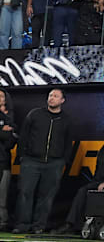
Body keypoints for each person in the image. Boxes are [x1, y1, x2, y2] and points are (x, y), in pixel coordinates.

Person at [14, 88, 73, 234]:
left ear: (62, 100)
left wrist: (64, 161)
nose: (51, 98)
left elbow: (68, 142)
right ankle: (22, 225)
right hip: (31, 161)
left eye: (55, 96)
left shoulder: (66, 120)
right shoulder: (35, 114)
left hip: (54, 163)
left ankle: (38, 226)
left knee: (46, 197)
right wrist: (22, 156)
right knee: (25, 193)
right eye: (50, 95)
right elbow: (24, 136)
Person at [54, 126, 104, 235]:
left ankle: (102, 225)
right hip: (99, 182)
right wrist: (95, 183)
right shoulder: (102, 150)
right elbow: (98, 170)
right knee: (82, 191)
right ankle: (70, 224)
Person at [0, 90, 16, 231]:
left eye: (1, 96)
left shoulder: (10, 118)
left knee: (2, 194)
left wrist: (6, 134)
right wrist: (2, 131)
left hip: (3, 161)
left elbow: (11, 140)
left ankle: (3, 222)